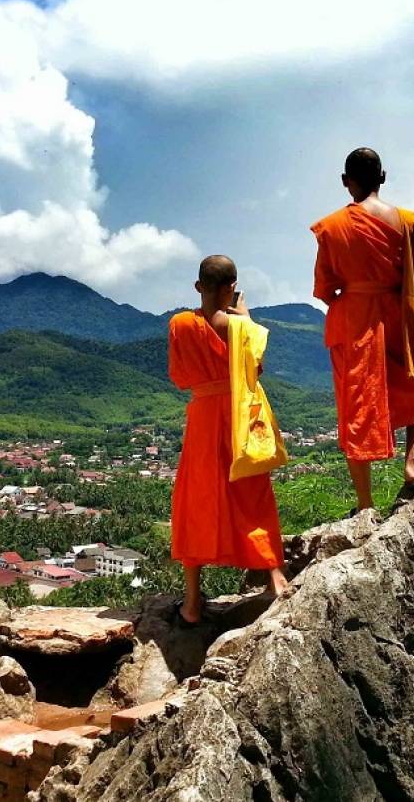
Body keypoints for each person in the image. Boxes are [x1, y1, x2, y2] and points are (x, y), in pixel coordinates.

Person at [310, 147, 414, 512]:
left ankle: (365, 503)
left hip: (354, 321)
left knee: (357, 405)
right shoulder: (411, 223)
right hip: (400, 315)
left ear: (345, 181)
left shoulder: (332, 228)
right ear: (383, 177)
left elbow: (325, 288)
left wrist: (357, 296)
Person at [167, 255, 289, 625]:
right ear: (232, 288)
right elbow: (257, 369)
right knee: (252, 493)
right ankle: (276, 579)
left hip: (203, 416)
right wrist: (245, 318)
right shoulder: (240, 328)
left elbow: (179, 375)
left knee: (197, 498)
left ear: (198, 286)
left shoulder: (180, 324)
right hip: (239, 415)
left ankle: (191, 603)